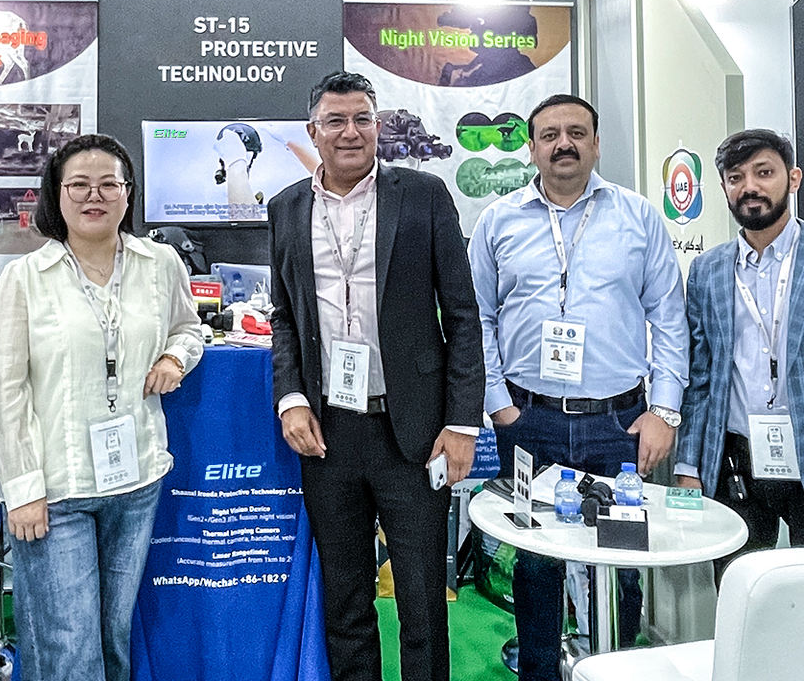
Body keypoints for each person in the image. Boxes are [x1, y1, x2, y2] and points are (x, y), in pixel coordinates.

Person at [268, 71, 485, 681]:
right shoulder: (286, 207)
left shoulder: (423, 195)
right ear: (313, 130)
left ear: (378, 125)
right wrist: (290, 396)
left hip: (411, 431)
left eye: (362, 118)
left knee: (422, 600)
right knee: (346, 598)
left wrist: (462, 422)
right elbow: (284, 317)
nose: (350, 132)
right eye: (335, 121)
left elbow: (462, 315)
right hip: (328, 434)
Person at [468, 93, 688, 681]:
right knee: (536, 558)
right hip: (529, 420)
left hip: (619, 422)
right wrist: (500, 406)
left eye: (576, 132)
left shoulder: (638, 216)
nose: (563, 144)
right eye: (549, 134)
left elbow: (669, 317)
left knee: (620, 560)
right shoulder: (497, 221)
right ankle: (540, 671)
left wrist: (664, 411)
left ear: (596, 143)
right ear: (531, 147)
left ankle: (616, 670)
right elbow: (476, 319)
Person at [0, 133, 203, 681]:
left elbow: (188, 327)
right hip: (56, 488)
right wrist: (22, 489)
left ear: (128, 193)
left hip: (137, 479)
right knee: (68, 647)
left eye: (109, 184)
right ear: (56, 195)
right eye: (79, 185)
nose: (94, 195)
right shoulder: (25, 278)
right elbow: (5, 391)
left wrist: (175, 357)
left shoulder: (160, 263)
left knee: (112, 640)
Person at [676, 129, 804, 572]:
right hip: (736, 455)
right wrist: (688, 464)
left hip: (800, 442)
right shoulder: (707, 270)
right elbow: (699, 377)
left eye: (763, 173)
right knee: (737, 588)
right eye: (736, 178)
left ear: (793, 179)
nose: (749, 187)